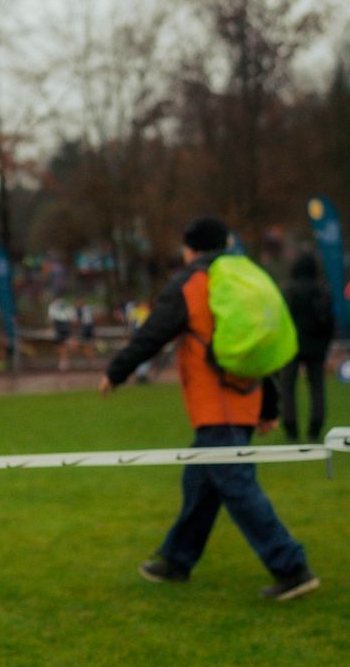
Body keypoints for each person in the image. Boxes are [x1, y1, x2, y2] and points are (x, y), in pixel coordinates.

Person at [100, 216, 318, 602]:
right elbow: (254, 345)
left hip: (216, 405)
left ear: (190, 248)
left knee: (236, 486)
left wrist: (116, 372)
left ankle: (290, 566)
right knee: (200, 484)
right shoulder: (241, 278)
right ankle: (176, 560)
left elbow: (153, 333)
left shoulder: (193, 283)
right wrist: (267, 406)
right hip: (243, 398)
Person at [278, 250, 335, 442]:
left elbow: (280, 320)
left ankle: (291, 429)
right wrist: (325, 346)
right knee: (317, 389)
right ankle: (314, 429)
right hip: (316, 347)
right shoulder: (321, 290)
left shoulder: (288, 290)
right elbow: (329, 322)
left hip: (291, 347)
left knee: (287, 389)